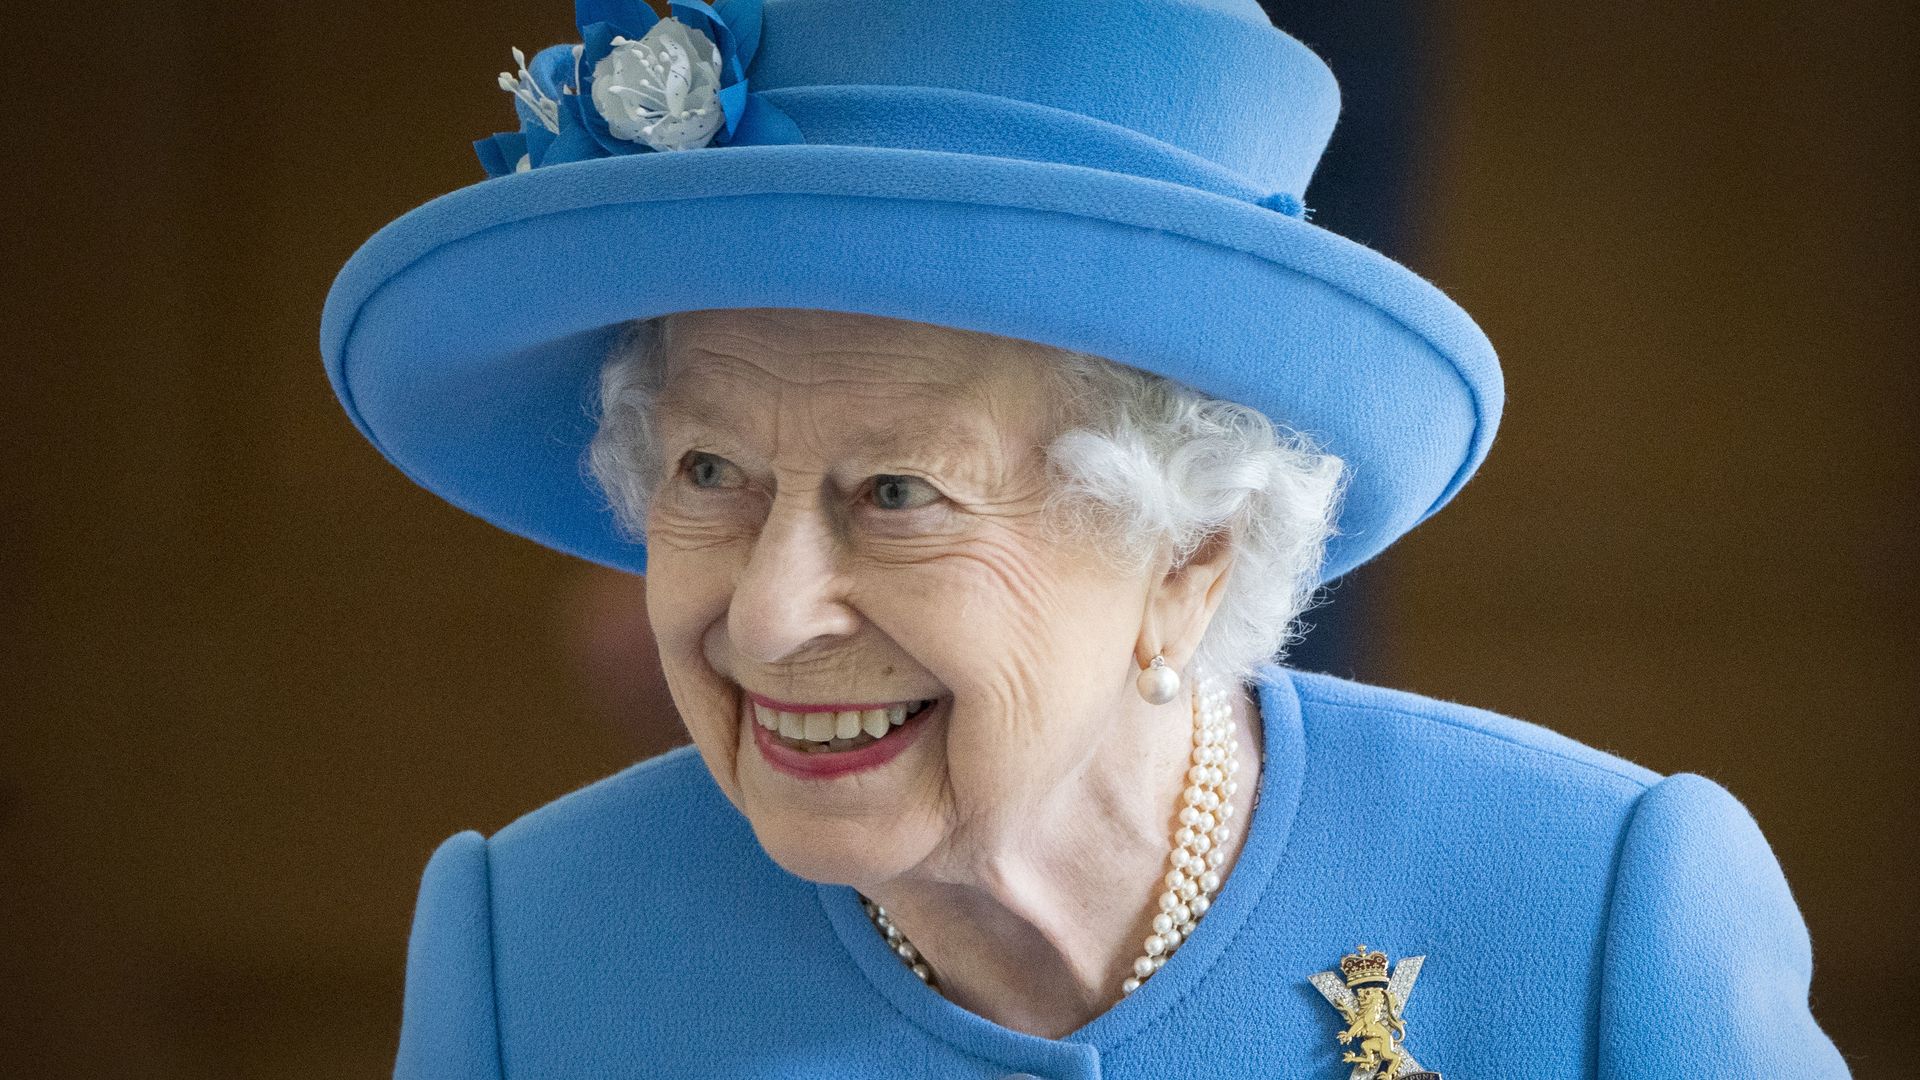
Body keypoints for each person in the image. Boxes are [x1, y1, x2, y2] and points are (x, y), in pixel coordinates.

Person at [321, 0, 1850, 1076]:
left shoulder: (1595, 919)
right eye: (711, 472)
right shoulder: (539, 958)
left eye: (898, 493)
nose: (771, 614)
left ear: (1188, 558)